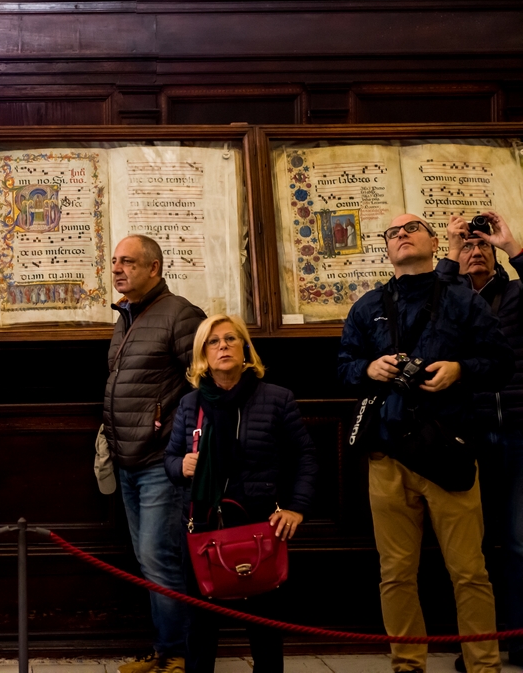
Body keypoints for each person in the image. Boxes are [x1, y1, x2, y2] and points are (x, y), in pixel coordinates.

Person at [337, 214, 513, 673]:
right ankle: (407, 665)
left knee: (470, 572)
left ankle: (484, 666)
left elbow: (499, 361)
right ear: (387, 248)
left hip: (449, 449)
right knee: (395, 573)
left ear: (436, 242)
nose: (401, 235)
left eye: (411, 228)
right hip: (386, 454)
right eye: (392, 232)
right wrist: (367, 370)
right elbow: (343, 367)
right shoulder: (367, 305)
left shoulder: (463, 300)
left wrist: (460, 369)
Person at [165, 314, 317, 673]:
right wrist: (181, 466)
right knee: (200, 628)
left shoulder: (277, 398)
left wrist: (297, 508)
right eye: (214, 342)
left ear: (245, 349)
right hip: (204, 527)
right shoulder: (190, 404)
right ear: (203, 354)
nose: (223, 347)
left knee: (264, 629)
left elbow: (306, 456)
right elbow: (170, 460)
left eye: (231, 339)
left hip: (259, 523)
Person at [103, 234, 207, 673]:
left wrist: (182, 445)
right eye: (114, 262)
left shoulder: (180, 314)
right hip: (127, 462)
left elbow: (205, 386)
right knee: (149, 560)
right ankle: (165, 648)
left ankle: (179, 655)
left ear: (154, 268)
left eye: (127, 262)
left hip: (161, 464)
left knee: (160, 559)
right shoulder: (125, 317)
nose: (117, 269)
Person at [445, 212, 523, 670]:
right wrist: (450, 254)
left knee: (516, 541)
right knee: (469, 548)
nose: (476, 251)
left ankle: (517, 637)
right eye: (467, 246)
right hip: (465, 433)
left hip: (516, 429)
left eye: (483, 247)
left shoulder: (515, 294)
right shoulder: (447, 298)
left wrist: (513, 246)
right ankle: (479, 645)